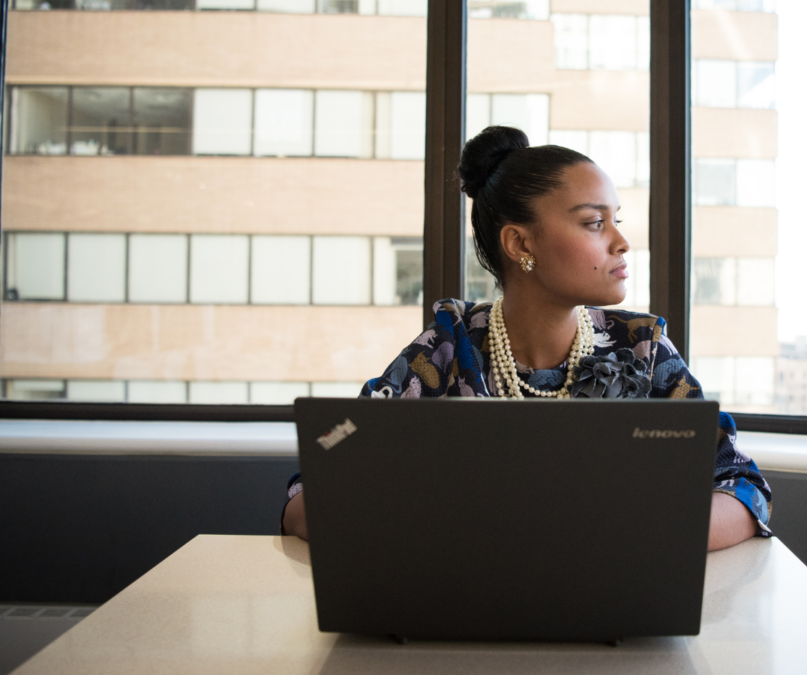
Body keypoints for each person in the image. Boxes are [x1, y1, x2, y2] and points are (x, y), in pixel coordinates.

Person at [282, 126, 772, 549]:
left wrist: (634, 536)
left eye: (615, 220)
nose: (621, 242)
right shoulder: (448, 348)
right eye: (594, 223)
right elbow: (311, 488)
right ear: (520, 244)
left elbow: (743, 486)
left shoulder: (643, 349)